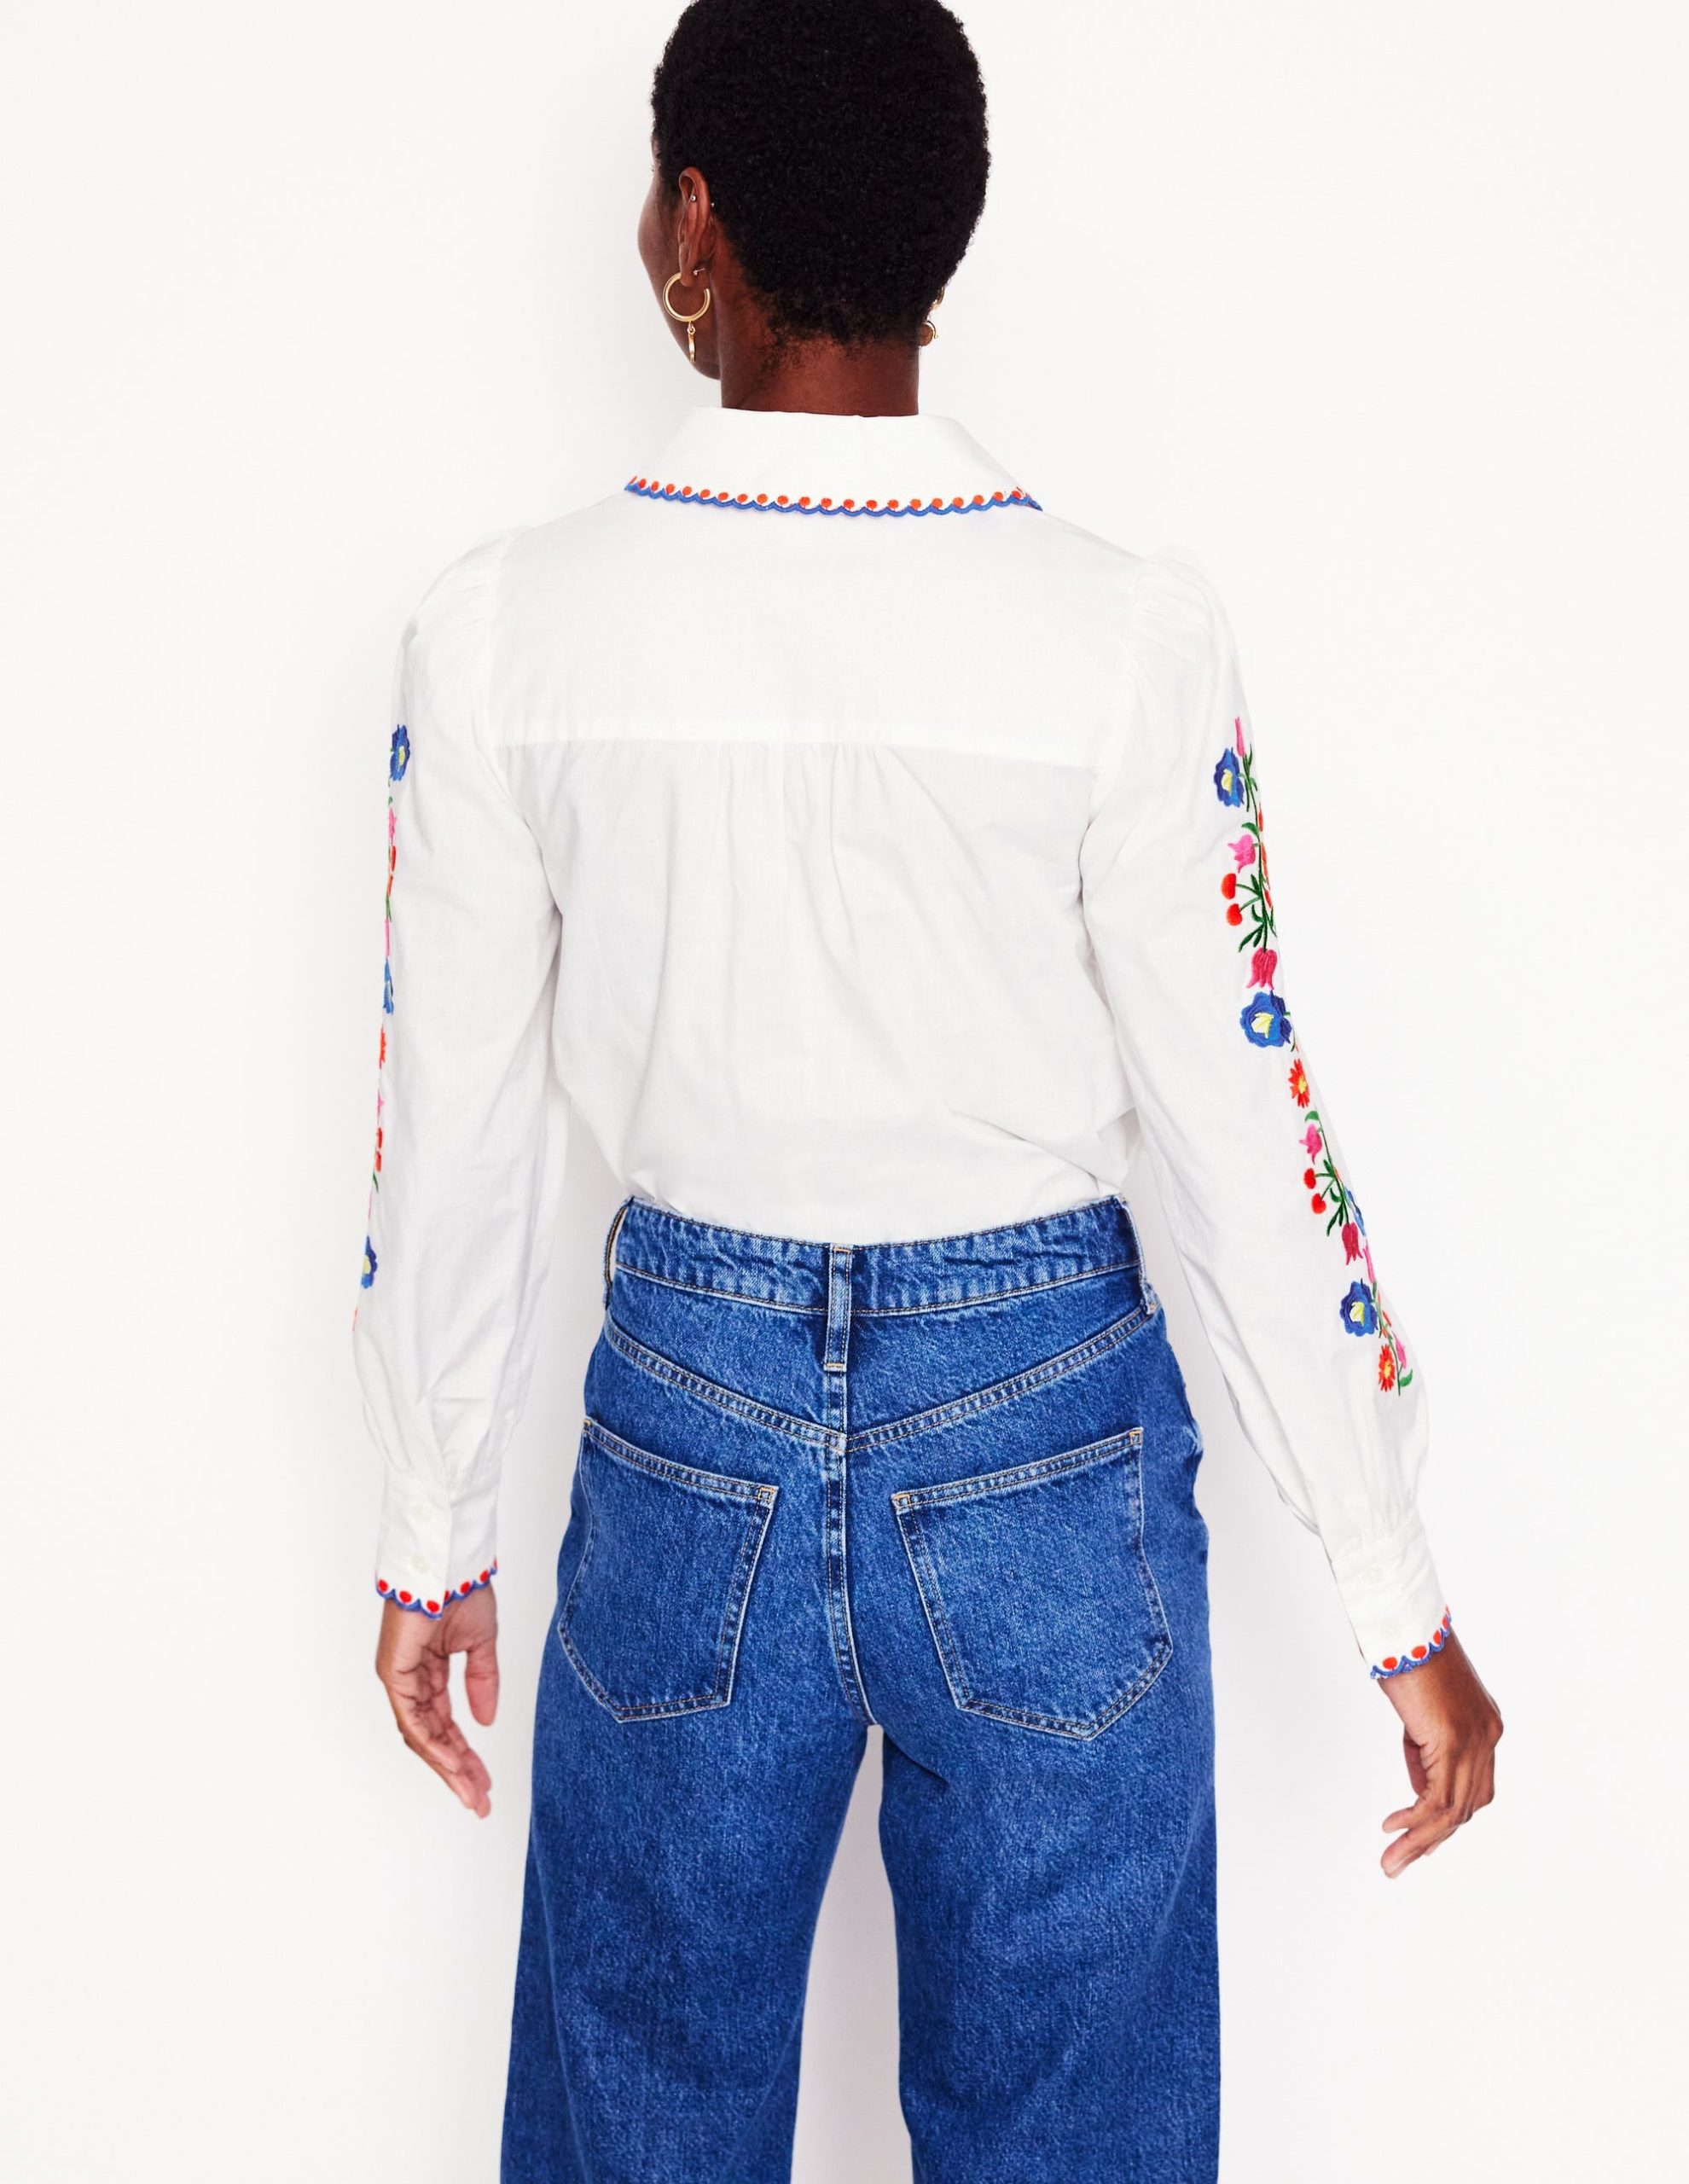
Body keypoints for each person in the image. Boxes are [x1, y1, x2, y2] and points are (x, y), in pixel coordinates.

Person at [351, 2, 1503, 2176]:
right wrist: (1395, 1592)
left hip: (687, 1432)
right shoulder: (1121, 635)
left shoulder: (510, 629)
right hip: (1047, 1433)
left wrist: (432, 1534)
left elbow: (459, 1131)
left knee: (636, 2112)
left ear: (696, 220)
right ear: (941, 243)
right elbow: (1246, 1129)